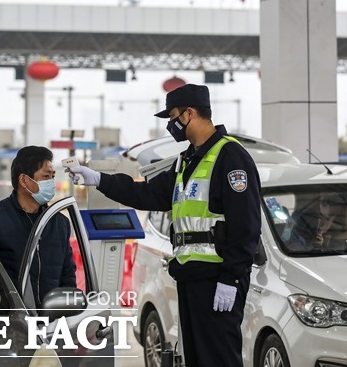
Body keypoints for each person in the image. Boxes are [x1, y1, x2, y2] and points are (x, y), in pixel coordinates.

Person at [67, 84, 261, 367]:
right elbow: (147, 193)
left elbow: (246, 225)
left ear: (189, 113)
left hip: (217, 278)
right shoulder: (187, 160)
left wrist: (230, 278)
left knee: (218, 358)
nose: (171, 125)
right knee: (196, 359)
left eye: (173, 117)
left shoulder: (230, 157)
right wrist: (98, 179)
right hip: (190, 276)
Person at [0, 146, 76, 307]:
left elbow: (67, 277)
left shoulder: (59, 223)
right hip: (10, 324)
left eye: (52, 177)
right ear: (24, 180)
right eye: (46, 176)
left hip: (51, 325)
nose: (51, 183)